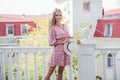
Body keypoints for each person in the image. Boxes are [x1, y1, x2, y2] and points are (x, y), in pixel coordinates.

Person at [44, 8, 80, 80]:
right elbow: (51, 43)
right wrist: (62, 42)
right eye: (56, 15)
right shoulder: (52, 28)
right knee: (50, 71)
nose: (58, 17)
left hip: (65, 51)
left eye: (60, 15)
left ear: (62, 16)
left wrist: (76, 40)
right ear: (54, 16)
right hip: (57, 52)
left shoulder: (65, 26)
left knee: (61, 72)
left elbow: (69, 37)